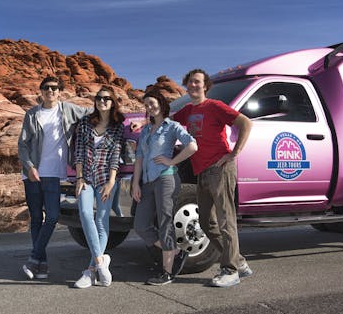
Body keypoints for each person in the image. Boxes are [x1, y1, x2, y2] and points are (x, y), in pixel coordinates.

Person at [172, 69, 253, 288]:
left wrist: (234, 153)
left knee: (226, 220)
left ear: (205, 86)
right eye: (190, 82)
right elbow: (166, 121)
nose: (193, 85)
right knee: (207, 224)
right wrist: (143, 123)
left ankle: (231, 270)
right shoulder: (188, 110)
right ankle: (240, 262)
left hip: (220, 169)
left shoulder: (215, 106)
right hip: (202, 172)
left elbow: (245, 123)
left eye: (197, 82)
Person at [17, 76, 93, 280]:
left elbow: (95, 113)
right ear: (41, 91)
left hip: (53, 172)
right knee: (36, 218)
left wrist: (134, 123)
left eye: (54, 88)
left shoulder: (68, 109)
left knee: (52, 216)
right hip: (32, 173)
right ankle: (41, 265)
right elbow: (22, 144)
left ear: (60, 91)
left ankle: (34, 258)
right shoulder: (32, 114)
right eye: (46, 88)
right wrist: (30, 167)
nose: (50, 91)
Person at [132, 90, 198, 285]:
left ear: (161, 103)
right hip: (147, 182)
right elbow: (139, 159)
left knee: (165, 223)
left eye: (151, 103)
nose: (149, 107)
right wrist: (136, 183)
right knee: (141, 225)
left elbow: (192, 146)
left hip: (166, 179)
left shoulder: (172, 127)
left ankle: (167, 272)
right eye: (146, 105)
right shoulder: (146, 130)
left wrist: (172, 161)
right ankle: (175, 252)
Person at [73, 85, 125, 289]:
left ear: (112, 102)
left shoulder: (117, 126)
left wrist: (112, 182)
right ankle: (102, 262)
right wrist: (78, 177)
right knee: (85, 214)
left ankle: (91, 271)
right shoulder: (86, 122)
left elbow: (116, 154)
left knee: (102, 221)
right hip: (85, 178)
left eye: (106, 98)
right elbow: (78, 151)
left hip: (105, 179)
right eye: (99, 98)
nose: (102, 101)